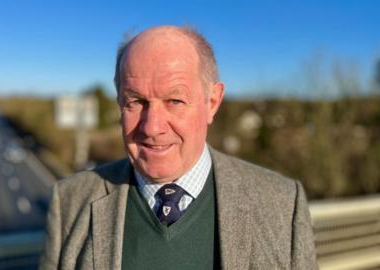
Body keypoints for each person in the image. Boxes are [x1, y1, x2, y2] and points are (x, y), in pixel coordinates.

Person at [41, 25, 316, 269]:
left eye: (174, 101)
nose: (152, 126)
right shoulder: (70, 201)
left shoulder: (281, 204)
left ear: (212, 103)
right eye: (135, 101)